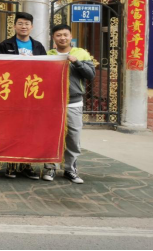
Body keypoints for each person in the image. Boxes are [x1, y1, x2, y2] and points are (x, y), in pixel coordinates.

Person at [0, 12, 47, 180]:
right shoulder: (5, 45)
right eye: (20, 23)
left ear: (32, 27)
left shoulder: (38, 46)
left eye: (27, 24)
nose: (23, 26)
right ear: (14, 26)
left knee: (29, 130)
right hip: (12, 94)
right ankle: (11, 165)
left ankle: (27, 165)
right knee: (11, 129)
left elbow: (45, 70)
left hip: (31, 95)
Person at [43, 25, 96, 185]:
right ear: (53, 38)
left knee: (73, 136)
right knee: (51, 136)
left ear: (70, 36)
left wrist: (77, 62)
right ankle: (50, 167)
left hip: (73, 102)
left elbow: (91, 74)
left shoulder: (81, 53)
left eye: (65, 35)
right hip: (52, 103)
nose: (62, 38)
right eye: (58, 35)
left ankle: (70, 169)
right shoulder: (49, 55)